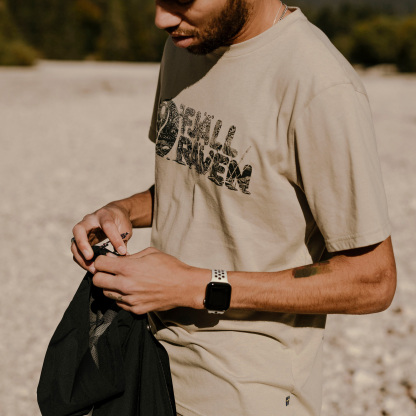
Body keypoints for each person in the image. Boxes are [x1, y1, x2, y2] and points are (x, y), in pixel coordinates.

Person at [71, 1, 397, 415]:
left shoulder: (321, 86)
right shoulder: (187, 44)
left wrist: (196, 285)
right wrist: (123, 210)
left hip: (244, 393)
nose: (161, 18)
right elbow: (203, 180)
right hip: (144, 360)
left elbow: (373, 280)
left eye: (182, 0)